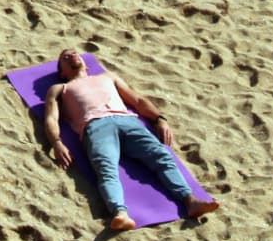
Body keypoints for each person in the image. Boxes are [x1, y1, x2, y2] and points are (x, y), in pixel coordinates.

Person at [43, 48, 222, 231]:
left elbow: (137, 100)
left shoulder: (107, 77)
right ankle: (120, 213)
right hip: (95, 126)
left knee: (161, 156)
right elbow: (51, 118)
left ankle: (191, 201)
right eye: (65, 57)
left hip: (127, 121)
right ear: (62, 72)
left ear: (86, 64)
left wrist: (159, 119)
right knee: (106, 168)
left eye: (74, 53)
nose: (72, 56)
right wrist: (56, 142)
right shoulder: (60, 88)